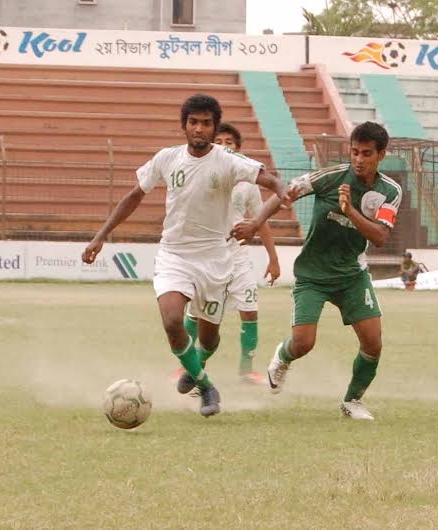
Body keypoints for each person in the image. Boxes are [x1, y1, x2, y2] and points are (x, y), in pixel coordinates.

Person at [82, 95, 288, 418]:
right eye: (194, 122)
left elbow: (266, 176)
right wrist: (100, 235)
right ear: (184, 126)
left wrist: (280, 188)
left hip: (215, 260)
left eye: (206, 123)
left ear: (214, 127)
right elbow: (134, 196)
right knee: (173, 320)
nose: (200, 128)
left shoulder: (228, 161)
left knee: (210, 338)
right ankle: (206, 386)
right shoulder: (167, 158)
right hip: (174, 255)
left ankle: (197, 366)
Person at [231, 121, 401, 421]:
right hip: (313, 274)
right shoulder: (332, 177)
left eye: (367, 154)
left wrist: (351, 212)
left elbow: (381, 237)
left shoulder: (390, 190)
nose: (359, 160)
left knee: (373, 343)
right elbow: (285, 193)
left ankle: (352, 401)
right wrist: (256, 223)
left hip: (352, 274)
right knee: (303, 343)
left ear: (381, 155)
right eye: (355, 152)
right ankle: (282, 359)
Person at [173, 122, 281, 387]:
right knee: (198, 315)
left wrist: (273, 258)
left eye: (229, 142)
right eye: (218, 141)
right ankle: (188, 368)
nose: (224, 146)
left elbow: (260, 221)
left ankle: (246, 371)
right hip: (208, 256)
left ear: (238, 148)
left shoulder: (247, 182)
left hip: (238, 257)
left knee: (250, 311)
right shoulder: (201, 175)